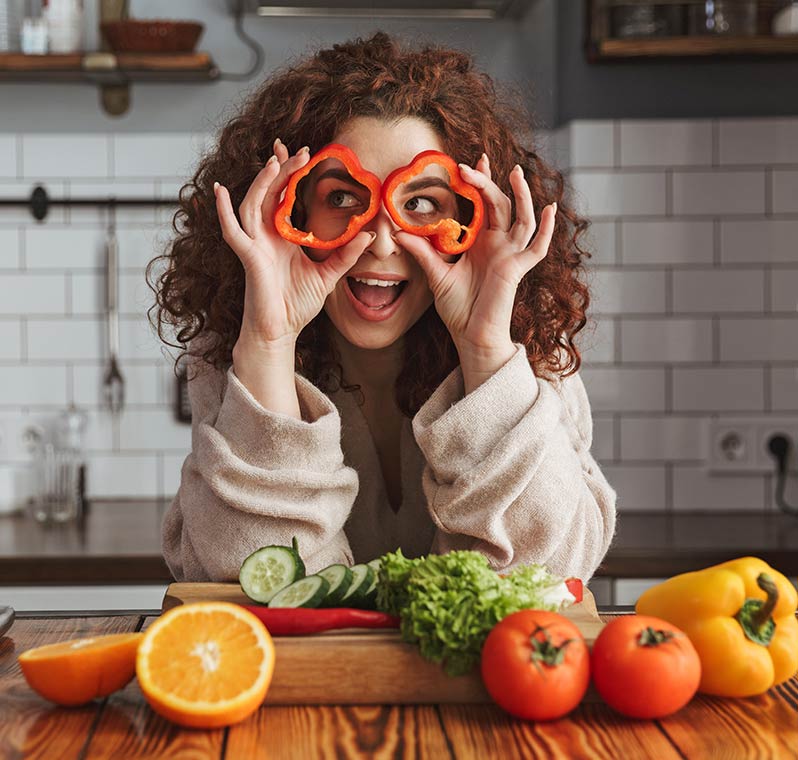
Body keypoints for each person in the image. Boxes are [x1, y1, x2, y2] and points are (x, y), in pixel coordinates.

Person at [151, 32, 616, 584]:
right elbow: (258, 585)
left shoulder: (532, 362)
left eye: (420, 203)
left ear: (470, 221)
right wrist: (270, 344)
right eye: (343, 198)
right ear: (290, 207)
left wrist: (484, 347)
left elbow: (545, 577)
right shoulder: (237, 358)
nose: (381, 242)